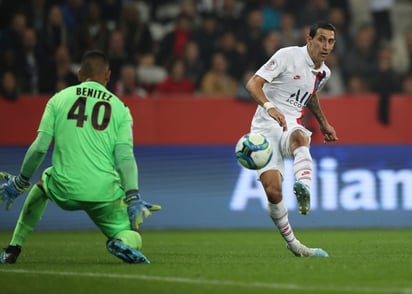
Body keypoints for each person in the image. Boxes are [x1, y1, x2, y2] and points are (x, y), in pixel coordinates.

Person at [0, 50, 160, 265]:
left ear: (79, 74)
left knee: (43, 181)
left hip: (64, 187)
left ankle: (13, 249)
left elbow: (39, 148)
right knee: (133, 230)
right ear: (108, 76)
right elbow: (124, 157)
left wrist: (20, 182)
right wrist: (132, 196)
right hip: (103, 192)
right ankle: (121, 241)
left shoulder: (59, 99)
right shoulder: (121, 109)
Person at [245, 21, 338, 257]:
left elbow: (310, 95)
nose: (326, 45)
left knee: (299, 136)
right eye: (321, 39)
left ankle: (303, 188)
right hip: (265, 127)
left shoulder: (324, 72)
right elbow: (252, 84)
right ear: (309, 39)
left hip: (291, 124)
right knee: (273, 192)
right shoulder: (287, 55)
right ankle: (295, 245)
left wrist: (324, 122)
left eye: (330, 41)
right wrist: (269, 106)